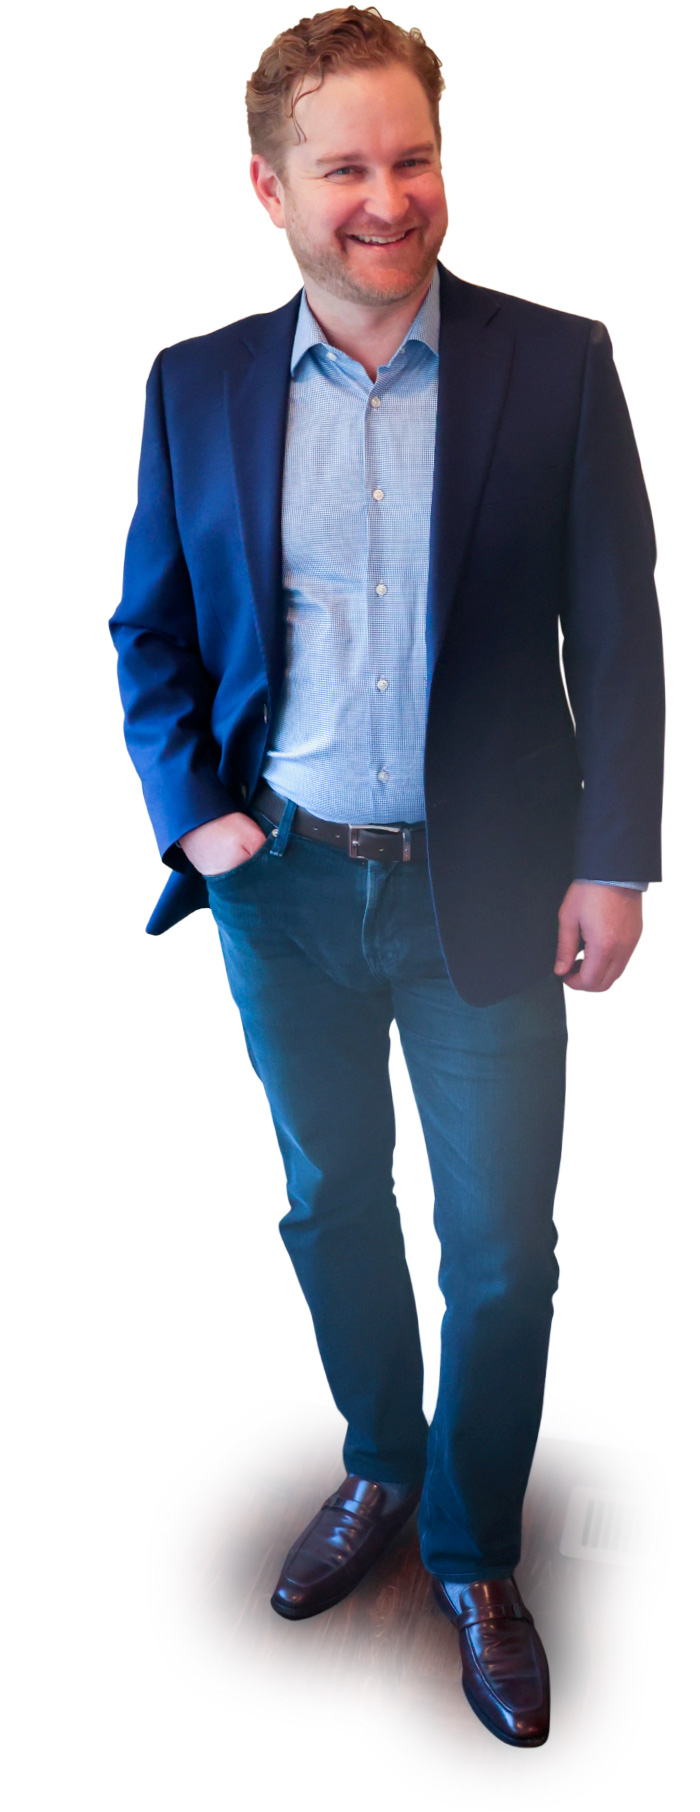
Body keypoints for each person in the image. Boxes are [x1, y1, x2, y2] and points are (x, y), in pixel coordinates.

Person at [108, 6, 664, 1748]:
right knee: (330, 1205)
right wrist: (198, 814)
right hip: (284, 896)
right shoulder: (195, 382)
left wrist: (616, 861)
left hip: (489, 891)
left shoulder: (555, 363)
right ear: (268, 185)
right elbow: (154, 629)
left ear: (443, 160)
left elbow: (622, 632)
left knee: (502, 1252)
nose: (385, 197)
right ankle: (378, 1460)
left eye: (410, 157)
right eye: (343, 166)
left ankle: (475, 1547)